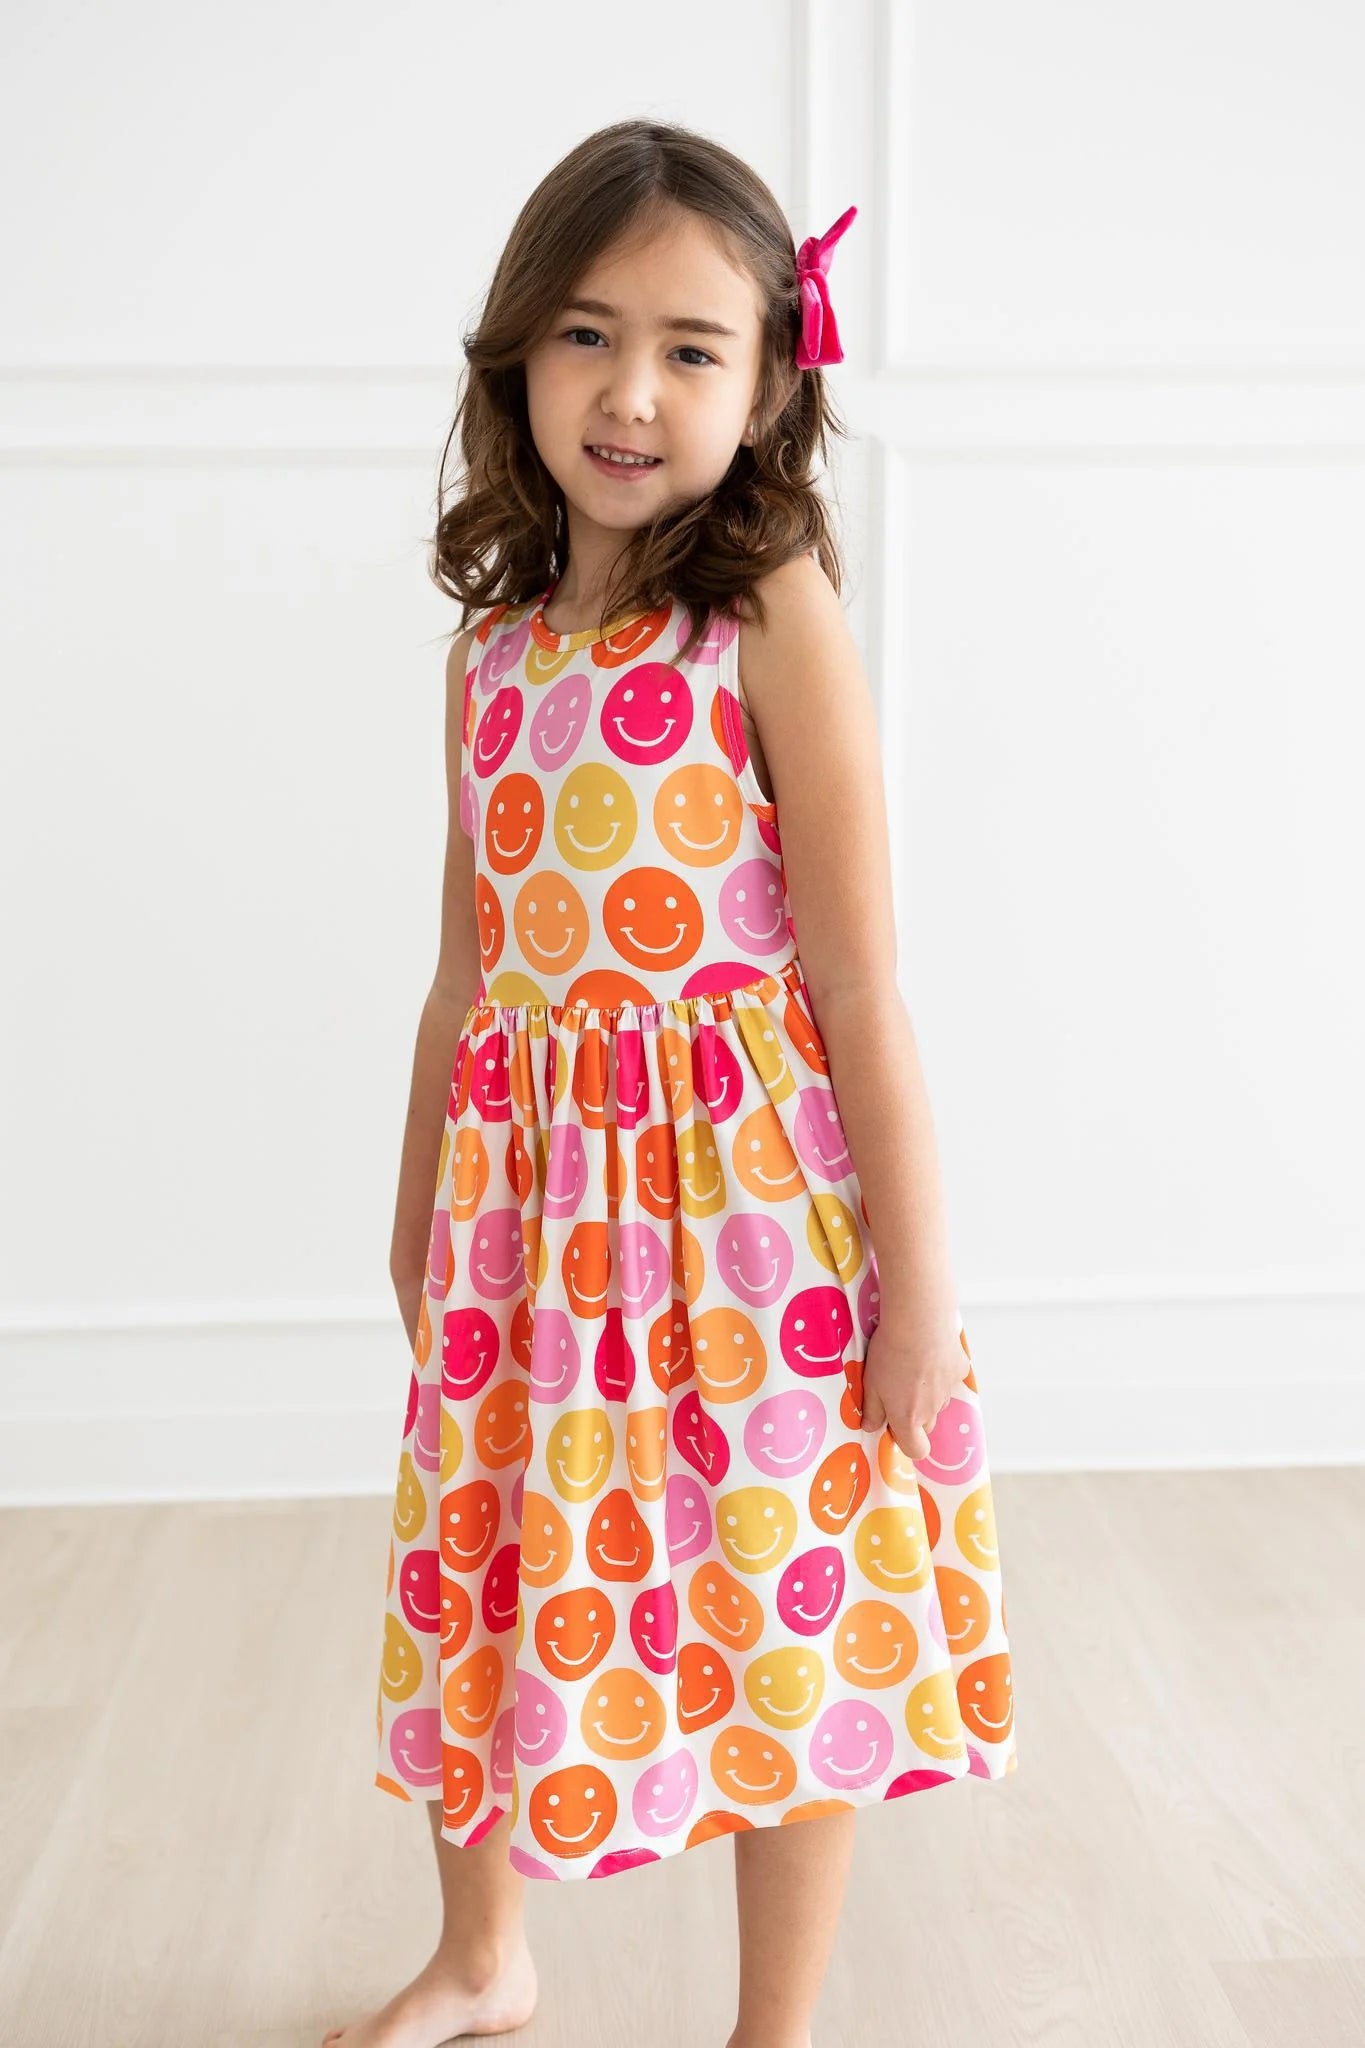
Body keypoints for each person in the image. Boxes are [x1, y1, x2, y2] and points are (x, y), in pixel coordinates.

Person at [329, 117, 1018, 2048]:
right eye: (586, 335)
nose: (629, 393)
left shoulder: (769, 606)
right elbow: (467, 970)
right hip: (529, 1216)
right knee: (490, 1560)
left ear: (769, 381)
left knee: (783, 1604)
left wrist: (918, 1288)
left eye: (689, 348)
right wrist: (414, 1208)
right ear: (515, 357)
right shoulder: (491, 654)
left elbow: (859, 977)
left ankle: (768, 2029)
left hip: (749, 1217)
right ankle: (484, 1954)